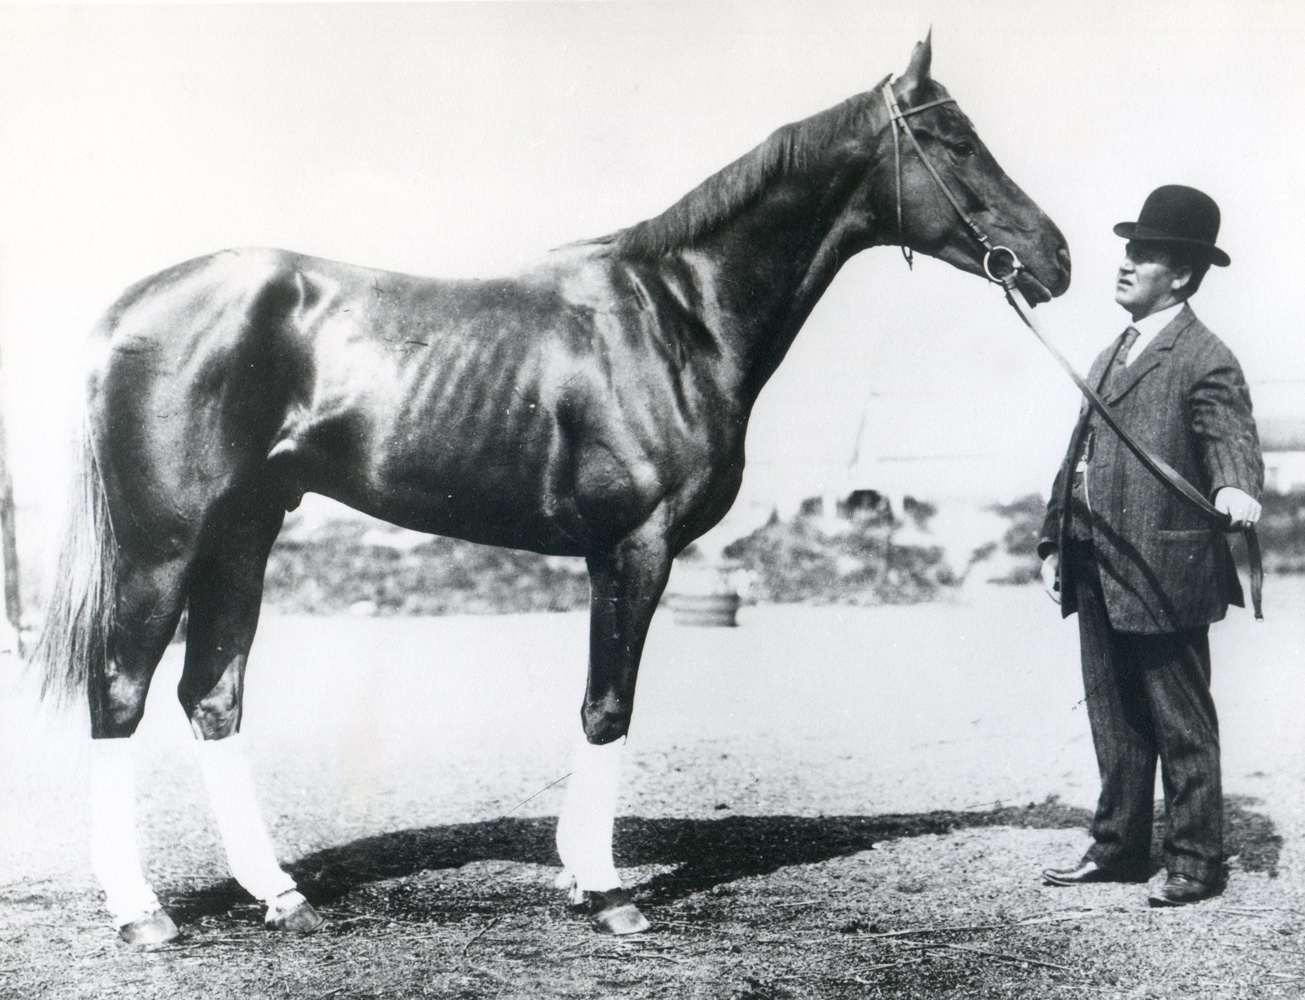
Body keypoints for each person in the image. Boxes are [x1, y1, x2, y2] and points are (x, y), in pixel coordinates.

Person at [1036, 185, 1263, 906]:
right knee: (1115, 716)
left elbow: (1228, 434)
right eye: (1128, 250)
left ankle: (1196, 861)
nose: (1126, 264)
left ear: (1185, 275)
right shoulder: (1112, 351)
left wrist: (1234, 488)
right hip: (1094, 557)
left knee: (1178, 720)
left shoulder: (1203, 356)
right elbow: (1078, 452)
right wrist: (1051, 540)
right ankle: (1118, 848)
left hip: (1165, 564)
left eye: (1146, 254)